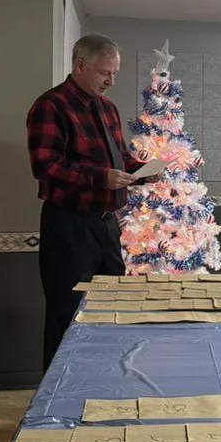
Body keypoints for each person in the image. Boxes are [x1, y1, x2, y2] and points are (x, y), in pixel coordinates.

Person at [27, 34, 157, 370]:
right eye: (104, 73)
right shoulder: (50, 105)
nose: (111, 81)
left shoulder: (107, 108)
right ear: (80, 65)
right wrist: (100, 177)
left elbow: (120, 159)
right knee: (66, 315)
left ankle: (102, 383)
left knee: (111, 308)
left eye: (114, 73)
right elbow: (45, 166)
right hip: (68, 224)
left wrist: (145, 172)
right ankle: (57, 404)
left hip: (106, 224)